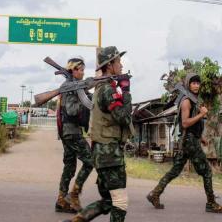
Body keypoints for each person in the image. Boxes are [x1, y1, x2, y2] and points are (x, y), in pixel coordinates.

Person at [64, 46, 133, 222]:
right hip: (109, 154)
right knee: (120, 202)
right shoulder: (108, 90)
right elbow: (123, 117)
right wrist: (126, 93)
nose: (121, 65)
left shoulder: (103, 88)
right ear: (110, 65)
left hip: (102, 154)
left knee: (108, 201)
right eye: (118, 61)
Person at [147, 73, 222, 213]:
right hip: (189, 142)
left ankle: (154, 193)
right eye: (193, 83)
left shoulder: (194, 101)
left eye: (198, 83)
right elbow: (185, 123)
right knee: (206, 171)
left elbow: (192, 127)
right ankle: (211, 203)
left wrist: (201, 138)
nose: (196, 85)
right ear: (188, 84)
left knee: (175, 170)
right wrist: (202, 114)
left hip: (190, 140)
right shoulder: (187, 101)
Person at [56, 57, 94, 213]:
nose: (83, 73)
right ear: (74, 70)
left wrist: (88, 92)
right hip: (71, 131)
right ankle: (74, 195)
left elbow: (88, 100)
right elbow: (71, 110)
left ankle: (61, 200)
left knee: (70, 166)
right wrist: (82, 97)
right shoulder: (69, 87)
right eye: (81, 70)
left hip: (69, 131)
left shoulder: (74, 86)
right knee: (90, 161)